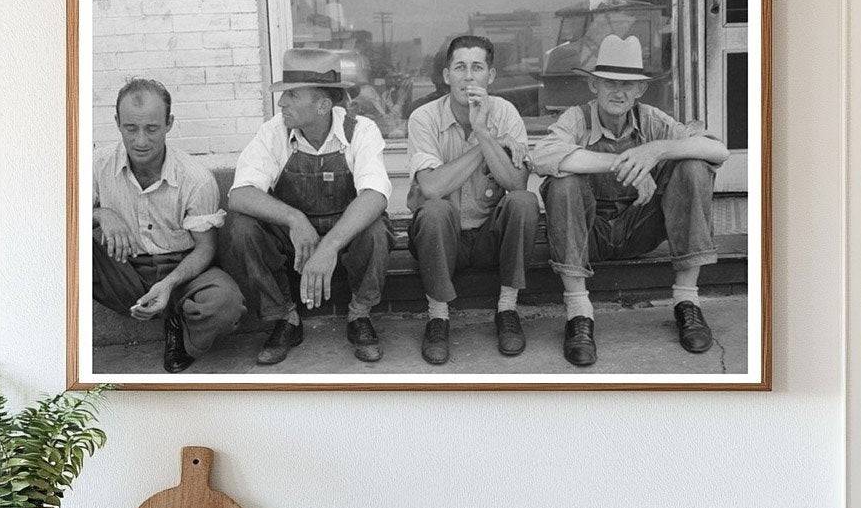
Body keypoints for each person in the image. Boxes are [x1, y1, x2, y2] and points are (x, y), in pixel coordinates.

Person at [531, 34, 729, 367]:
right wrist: (625, 163)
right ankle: (579, 312)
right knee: (562, 182)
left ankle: (687, 302)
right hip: (589, 235)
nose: (618, 92)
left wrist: (656, 151)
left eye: (627, 85)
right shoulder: (577, 118)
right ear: (594, 85)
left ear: (640, 90)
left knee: (694, 167)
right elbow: (542, 156)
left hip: (640, 229)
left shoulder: (651, 119)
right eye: (610, 82)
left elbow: (718, 151)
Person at [220, 48, 392, 366]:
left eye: (292, 95)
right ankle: (286, 318)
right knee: (242, 227)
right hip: (294, 241)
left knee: (377, 229)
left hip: (344, 237)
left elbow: (375, 195)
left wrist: (329, 246)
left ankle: (359, 314)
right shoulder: (274, 131)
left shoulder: (361, 130)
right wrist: (294, 218)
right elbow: (240, 194)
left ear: (323, 105)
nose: (282, 103)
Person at [92, 78, 245, 373]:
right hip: (123, 268)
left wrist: (169, 284)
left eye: (152, 129)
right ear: (117, 123)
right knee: (61, 247)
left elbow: (206, 249)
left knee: (226, 304)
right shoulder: (97, 165)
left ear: (169, 124)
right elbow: (55, 217)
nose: (140, 141)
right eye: (131, 128)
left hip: (183, 270)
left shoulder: (196, 178)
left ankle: (180, 323)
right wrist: (101, 215)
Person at [406, 35, 539, 365]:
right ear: (446, 75)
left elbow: (516, 184)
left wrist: (481, 129)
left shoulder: (505, 113)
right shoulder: (423, 117)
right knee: (433, 209)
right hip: (443, 238)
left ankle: (507, 310)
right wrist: (487, 144)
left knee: (523, 202)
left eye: (477, 68)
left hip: (488, 238)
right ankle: (438, 317)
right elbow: (431, 187)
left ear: (490, 76)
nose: (468, 77)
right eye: (460, 67)